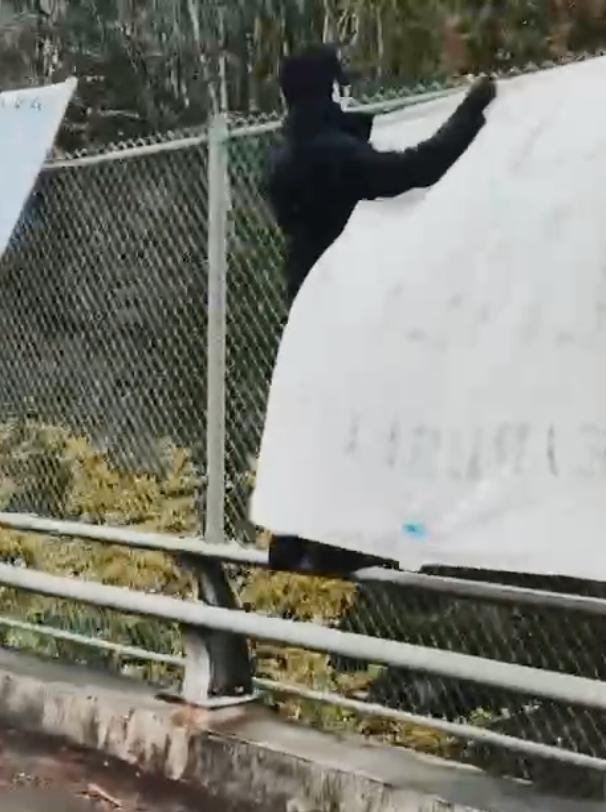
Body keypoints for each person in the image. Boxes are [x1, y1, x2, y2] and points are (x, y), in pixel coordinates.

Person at [261, 45, 497, 574]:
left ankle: (290, 538)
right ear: (329, 90)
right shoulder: (334, 157)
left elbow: (343, 145)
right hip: (349, 306)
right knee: (352, 421)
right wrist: (471, 111)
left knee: (315, 421)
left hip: (305, 301)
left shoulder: (286, 159)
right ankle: (333, 546)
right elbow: (416, 168)